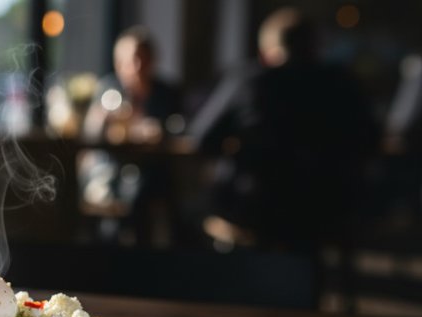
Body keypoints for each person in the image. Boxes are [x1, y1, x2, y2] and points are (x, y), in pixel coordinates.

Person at [189, 8, 378, 250]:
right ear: (315, 47)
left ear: (265, 53)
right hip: (327, 206)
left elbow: (203, 138)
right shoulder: (342, 84)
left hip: (256, 206)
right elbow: (371, 140)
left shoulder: (249, 80)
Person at [80, 27, 183, 246]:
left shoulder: (165, 92)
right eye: (129, 61)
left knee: (141, 193)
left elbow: (179, 130)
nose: (136, 67)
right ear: (118, 63)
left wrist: (157, 130)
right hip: (111, 168)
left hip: (152, 170)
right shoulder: (109, 89)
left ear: (152, 61)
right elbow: (89, 134)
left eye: (142, 59)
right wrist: (102, 117)